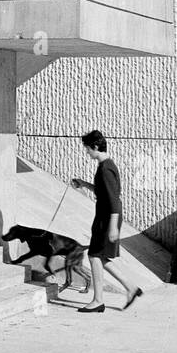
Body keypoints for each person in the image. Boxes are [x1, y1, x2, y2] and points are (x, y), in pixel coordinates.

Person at [71, 130, 143, 313]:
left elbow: (113, 200)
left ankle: (98, 300)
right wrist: (84, 184)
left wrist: (113, 226)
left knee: (94, 255)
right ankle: (130, 287)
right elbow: (104, 192)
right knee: (100, 256)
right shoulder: (106, 166)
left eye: (87, 148)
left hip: (106, 219)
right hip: (104, 218)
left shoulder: (105, 169)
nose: (86, 152)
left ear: (95, 147)